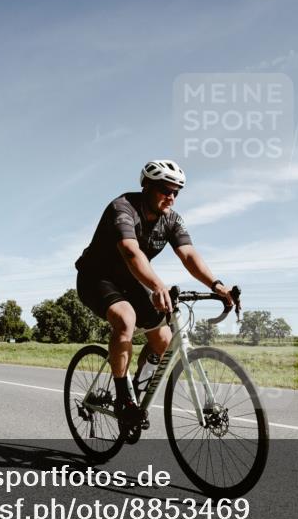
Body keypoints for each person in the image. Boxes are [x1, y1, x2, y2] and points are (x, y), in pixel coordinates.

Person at [75, 160, 233, 426]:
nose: (171, 197)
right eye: (165, 190)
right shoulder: (123, 208)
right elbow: (130, 251)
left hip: (131, 280)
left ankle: (137, 386)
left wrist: (216, 285)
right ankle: (123, 399)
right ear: (147, 186)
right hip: (96, 277)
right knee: (125, 318)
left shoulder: (171, 219)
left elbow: (189, 254)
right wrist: (158, 286)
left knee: (163, 340)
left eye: (176, 192)